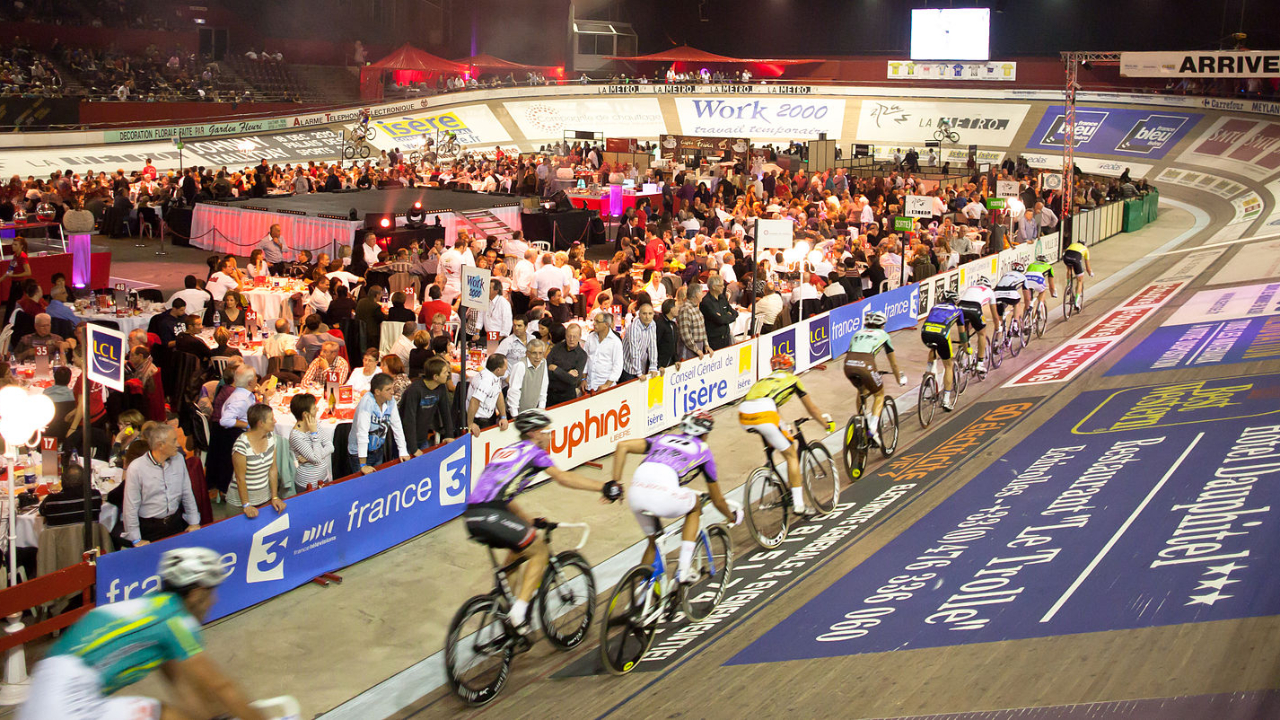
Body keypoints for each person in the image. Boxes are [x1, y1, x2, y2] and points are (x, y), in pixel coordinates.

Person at [18, 547, 270, 720]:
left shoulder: (152, 611)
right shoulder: (175, 619)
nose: (214, 602)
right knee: (165, 715)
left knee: (162, 712)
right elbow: (222, 686)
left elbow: (182, 686)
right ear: (196, 593)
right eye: (211, 593)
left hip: (45, 693)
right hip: (71, 700)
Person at [462, 410, 622, 634]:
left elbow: (504, 499)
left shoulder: (506, 451)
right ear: (535, 433)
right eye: (547, 432)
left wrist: (529, 521)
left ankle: (504, 611)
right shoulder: (534, 452)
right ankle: (518, 615)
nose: (549, 437)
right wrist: (604, 486)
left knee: (517, 552)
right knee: (539, 550)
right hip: (492, 515)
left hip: (473, 515)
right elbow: (563, 478)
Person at [738, 354, 834, 517]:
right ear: (791, 368)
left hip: (744, 413)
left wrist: (782, 427)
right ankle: (798, 505)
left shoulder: (764, 380)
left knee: (778, 436)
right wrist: (825, 424)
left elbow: (771, 406)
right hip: (766, 413)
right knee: (791, 455)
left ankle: (771, 466)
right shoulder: (793, 379)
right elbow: (812, 409)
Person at [121, 424, 202, 545]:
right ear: (160, 445)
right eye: (174, 440)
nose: (178, 444)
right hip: (150, 528)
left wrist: (194, 521)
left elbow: (187, 492)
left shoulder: (179, 460)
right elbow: (130, 506)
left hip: (175, 523)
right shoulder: (137, 468)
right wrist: (136, 539)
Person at [842, 311, 908, 446]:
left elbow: (854, 352)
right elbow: (893, 363)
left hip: (848, 365)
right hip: (866, 365)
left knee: (862, 390)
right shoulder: (884, 335)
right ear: (882, 325)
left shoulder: (857, 333)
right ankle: (872, 428)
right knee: (879, 394)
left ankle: (861, 421)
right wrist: (898, 378)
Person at [230, 403, 286, 518]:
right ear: (261, 423)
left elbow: (273, 469)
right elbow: (240, 478)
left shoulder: (271, 438)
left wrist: (274, 496)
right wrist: (246, 505)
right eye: (271, 419)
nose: (275, 421)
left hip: (264, 499)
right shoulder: (241, 445)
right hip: (240, 504)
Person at [349, 373, 411, 475]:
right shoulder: (367, 403)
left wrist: (403, 450)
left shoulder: (390, 401)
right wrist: (363, 465)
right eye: (388, 389)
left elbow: (397, 426)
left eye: (392, 388)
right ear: (377, 392)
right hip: (359, 454)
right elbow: (362, 434)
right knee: (363, 485)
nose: (392, 392)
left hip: (377, 449)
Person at [919, 290, 969, 412]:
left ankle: (928, 372)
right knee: (948, 365)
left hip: (925, 333)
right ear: (955, 301)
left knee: (933, 348)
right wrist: (965, 346)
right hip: (941, 335)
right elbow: (962, 333)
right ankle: (946, 399)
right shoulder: (958, 310)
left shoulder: (935, 306)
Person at [400, 357, 455, 454]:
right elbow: (409, 420)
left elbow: (445, 411)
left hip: (422, 437)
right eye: (445, 372)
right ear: (435, 377)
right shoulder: (415, 390)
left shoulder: (440, 387)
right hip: (406, 441)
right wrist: (413, 448)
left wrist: (449, 435)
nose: (448, 374)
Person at [289, 393, 333, 490]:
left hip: (323, 478)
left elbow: (330, 446)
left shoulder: (314, 423)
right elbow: (316, 459)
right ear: (305, 414)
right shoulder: (296, 436)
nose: (317, 410)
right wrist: (314, 434)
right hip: (307, 484)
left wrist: (308, 458)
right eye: (314, 408)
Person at [958, 277, 1000, 374]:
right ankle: (980, 363)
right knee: (982, 333)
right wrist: (998, 328)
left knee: (964, 328)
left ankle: (964, 347)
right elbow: (995, 315)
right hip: (975, 308)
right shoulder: (990, 291)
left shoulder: (970, 287)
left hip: (961, 307)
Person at [38, 464, 103, 527]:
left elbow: (42, 511)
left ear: (63, 481)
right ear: (86, 481)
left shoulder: (51, 501)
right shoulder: (94, 496)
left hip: (60, 538)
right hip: (88, 537)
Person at [466, 354, 510, 434]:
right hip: (479, 420)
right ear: (498, 370)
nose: (506, 369)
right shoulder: (486, 381)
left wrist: (503, 416)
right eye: (505, 367)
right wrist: (470, 424)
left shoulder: (495, 376)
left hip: (489, 416)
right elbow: (474, 401)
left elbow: (498, 394)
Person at [547, 322, 587, 406]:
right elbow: (546, 370)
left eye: (574, 336)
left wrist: (556, 369)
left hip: (567, 397)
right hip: (550, 394)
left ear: (580, 337)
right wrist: (567, 374)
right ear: (565, 335)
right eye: (569, 336)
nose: (571, 339)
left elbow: (573, 381)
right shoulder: (557, 347)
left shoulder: (582, 355)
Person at [506, 338, 548, 415]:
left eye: (540, 353)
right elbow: (514, 391)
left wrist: (541, 409)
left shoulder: (543, 362)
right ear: (527, 353)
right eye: (534, 353)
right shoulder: (520, 366)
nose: (538, 357)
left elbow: (543, 387)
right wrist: (515, 415)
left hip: (533, 411)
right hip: (516, 413)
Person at [584, 312, 623, 392]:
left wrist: (607, 385)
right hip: (589, 385)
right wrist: (583, 378)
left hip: (606, 387)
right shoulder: (591, 337)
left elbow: (618, 366)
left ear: (606, 324)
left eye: (597, 322)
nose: (594, 324)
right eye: (594, 321)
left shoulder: (615, 342)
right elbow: (585, 357)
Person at [620, 301, 659, 382]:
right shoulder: (634, 328)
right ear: (639, 314)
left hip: (641, 364)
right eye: (644, 314)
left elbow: (652, 346)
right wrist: (639, 372)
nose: (647, 317)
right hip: (628, 367)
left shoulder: (652, 324)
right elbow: (634, 351)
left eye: (650, 313)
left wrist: (653, 366)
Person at [678, 283, 712, 359]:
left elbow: (703, 329)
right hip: (688, 349)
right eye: (701, 292)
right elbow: (685, 334)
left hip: (698, 347)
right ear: (696, 294)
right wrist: (696, 350)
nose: (703, 294)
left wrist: (706, 345)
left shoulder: (696, 308)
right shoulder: (685, 309)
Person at [994, 262, 1029, 331]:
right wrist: (1027, 307)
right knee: (1017, 303)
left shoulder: (1005, 274)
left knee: (1000, 315)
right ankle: (1015, 323)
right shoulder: (1023, 277)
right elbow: (1027, 297)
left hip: (997, 293)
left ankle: (997, 336)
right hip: (1010, 292)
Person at [1062, 239, 1094, 311]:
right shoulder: (1085, 249)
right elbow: (1087, 267)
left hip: (1066, 257)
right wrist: (1090, 273)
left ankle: (1069, 284)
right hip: (1076, 259)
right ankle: (1076, 302)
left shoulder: (1072, 245)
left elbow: (1066, 252)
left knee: (1069, 269)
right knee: (1080, 280)